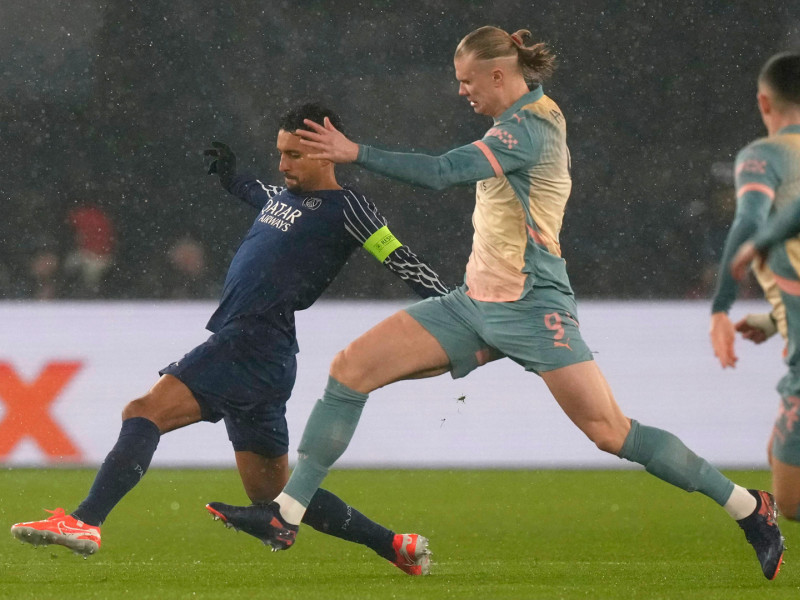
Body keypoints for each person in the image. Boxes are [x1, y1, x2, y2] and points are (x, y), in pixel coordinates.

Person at [207, 27, 787, 580]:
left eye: (467, 82)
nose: (462, 92)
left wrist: (354, 151)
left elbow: (442, 173)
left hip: (535, 310)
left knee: (613, 434)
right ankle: (286, 515)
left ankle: (746, 506)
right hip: (473, 305)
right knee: (349, 370)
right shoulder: (512, 121)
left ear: (500, 74)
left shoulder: (531, 129)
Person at [10, 102, 449, 576]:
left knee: (143, 412)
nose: (283, 164)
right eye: (279, 153)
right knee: (273, 497)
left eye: (295, 155)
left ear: (328, 154)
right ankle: (395, 546)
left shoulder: (349, 207)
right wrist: (229, 176)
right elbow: (255, 191)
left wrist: (456, 309)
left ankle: (84, 520)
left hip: (250, 342)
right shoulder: (282, 197)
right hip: (269, 357)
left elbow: (399, 258)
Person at [710, 51, 800, 525]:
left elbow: (748, 220)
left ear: (764, 102)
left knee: (791, 501)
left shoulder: (765, 156)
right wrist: (774, 318)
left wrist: (720, 308)